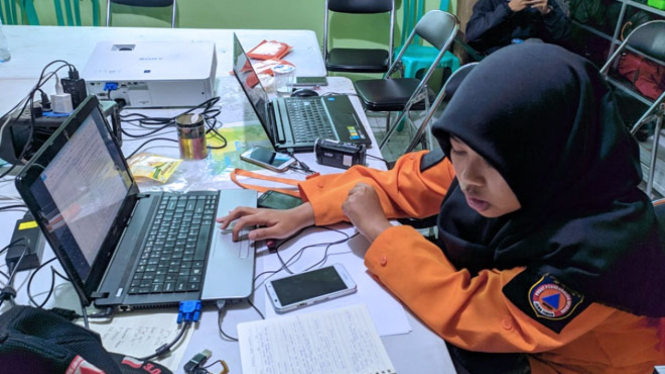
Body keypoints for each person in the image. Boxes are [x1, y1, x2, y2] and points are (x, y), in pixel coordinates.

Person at [218, 43, 665, 373]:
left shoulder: (605, 247)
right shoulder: (499, 160)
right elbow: (400, 184)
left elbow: (481, 316)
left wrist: (382, 233)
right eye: (457, 151)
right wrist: (306, 210)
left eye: (486, 162)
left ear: (543, 155)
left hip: (557, 362)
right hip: (505, 339)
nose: (467, 177)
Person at [465, 0, 571, 55]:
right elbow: (472, 34)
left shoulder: (544, 2)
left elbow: (562, 37)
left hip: (533, 57)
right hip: (497, 59)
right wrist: (508, 9)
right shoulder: (490, 2)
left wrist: (548, 13)